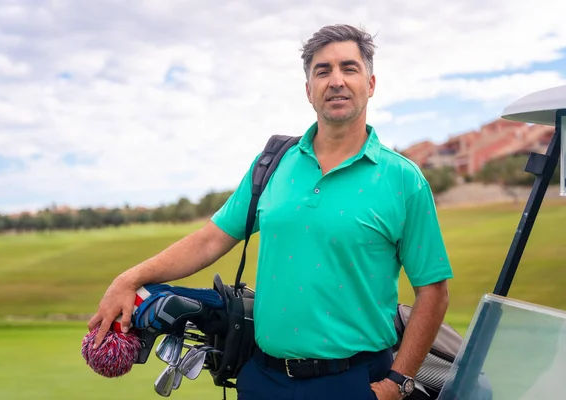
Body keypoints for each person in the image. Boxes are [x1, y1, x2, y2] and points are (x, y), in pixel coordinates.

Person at [88, 24, 453, 400]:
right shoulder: (274, 163)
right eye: (322, 71)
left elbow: (433, 292)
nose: (336, 81)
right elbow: (210, 240)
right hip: (264, 378)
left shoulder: (403, 179)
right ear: (309, 90)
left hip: (354, 381)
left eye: (349, 68)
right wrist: (128, 279)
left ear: (371, 84)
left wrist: (399, 382)